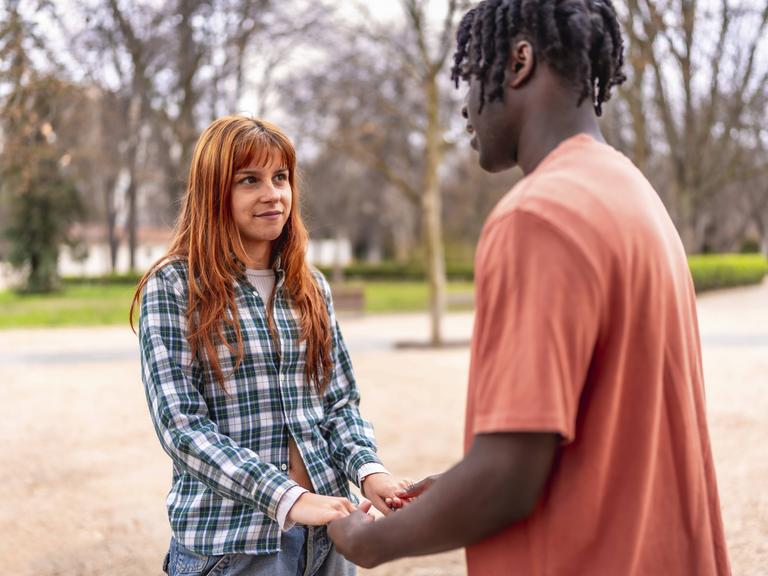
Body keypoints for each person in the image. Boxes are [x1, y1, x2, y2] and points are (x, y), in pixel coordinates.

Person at [328, 1, 732, 575]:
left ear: (519, 61)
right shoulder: (632, 194)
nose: (465, 107)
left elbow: (509, 475)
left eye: (469, 75)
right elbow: (592, 433)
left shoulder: (539, 217)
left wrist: (371, 543)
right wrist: (454, 490)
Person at [131, 116, 408, 576]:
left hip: (328, 539)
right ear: (214, 192)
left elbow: (339, 403)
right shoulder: (174, 287)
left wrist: (369, 472)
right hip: (233, 546)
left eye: (281, 178)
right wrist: (289, 498)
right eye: (249, 180)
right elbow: (181, 427)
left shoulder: (310, 286)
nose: (273, 194)